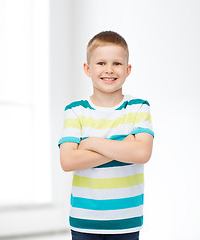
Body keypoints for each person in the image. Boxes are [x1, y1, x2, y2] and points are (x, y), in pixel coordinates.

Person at [58, 31, 154, 240]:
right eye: (101, 63)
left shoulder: (138, 107)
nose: (109, 70)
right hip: (85, 221)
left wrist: (91, 143)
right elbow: (68, 160)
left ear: (128, 70)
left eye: (117, 64)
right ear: (87, 68)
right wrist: (124, 146)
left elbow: (142, 153)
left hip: (126, 221)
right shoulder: (75, 110)